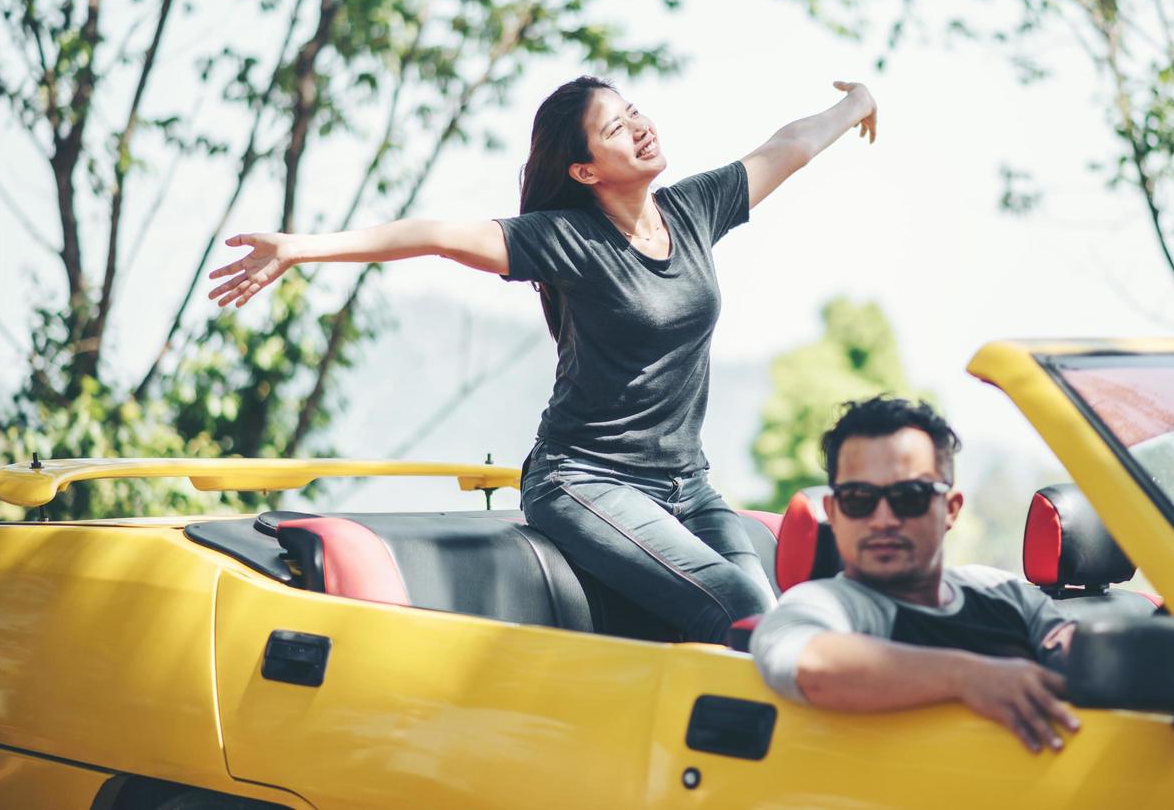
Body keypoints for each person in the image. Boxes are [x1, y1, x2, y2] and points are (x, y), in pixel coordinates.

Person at [206, 75, 879, 644]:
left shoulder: (696, 209)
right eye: (615, 128)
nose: (639, 127)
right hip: (586, 482)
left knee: (783, 625)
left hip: (687, 483)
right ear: (584, 170)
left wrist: (855, 104)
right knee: (741, 605)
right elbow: (439, 235)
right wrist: (301, 247)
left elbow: (787, 148)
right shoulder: (567, 239)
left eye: (633, 112)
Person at [750, 396, 1081, 753]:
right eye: (859, 497)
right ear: (833, 511)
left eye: (909, 496)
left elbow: (1083, 656)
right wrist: (967, 677)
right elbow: (806, 661)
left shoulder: (1006, 592)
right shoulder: (826, 603)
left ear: (951, 509)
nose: (883, 519)